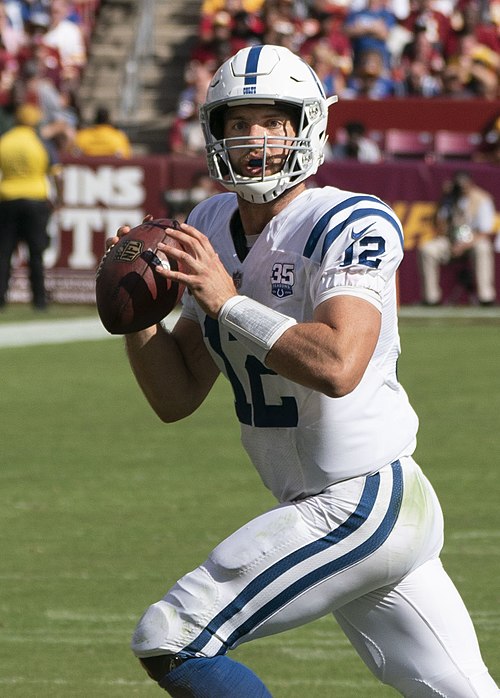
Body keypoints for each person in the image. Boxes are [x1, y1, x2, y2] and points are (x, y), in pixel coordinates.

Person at [109, 45, 499, 696]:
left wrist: (228, 300)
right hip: (327, 501)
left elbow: (340, 365)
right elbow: (176, 394)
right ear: (214, 134)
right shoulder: (210, 223)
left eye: (272, 121)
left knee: (174, 634)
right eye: (238, 123)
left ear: (306, 128)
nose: (254, 138)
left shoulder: (346, 219)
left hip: (360, 501)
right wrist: (137, 315)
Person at [0, 103, 61, 309]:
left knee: (4, 252)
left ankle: (1, 299)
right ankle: (39, 301)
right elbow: (56, 172)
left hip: (7, 199)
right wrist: (58, 198)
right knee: (36, 253)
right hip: (35, 201)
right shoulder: (41, 142)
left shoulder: (5, 141)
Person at [419, 170, 497, 306]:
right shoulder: (450, 199)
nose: (461, 188)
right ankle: (431, 298)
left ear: (471, 184)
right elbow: (440, 226)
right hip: (451, 240)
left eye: (464, 185)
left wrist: (464, 245)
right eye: (458, 185)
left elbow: (485, 232)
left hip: (473, 241)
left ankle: (486, 297)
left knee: (483, 247)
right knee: (427, 249)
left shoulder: (482, 199)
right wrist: (445, 199)